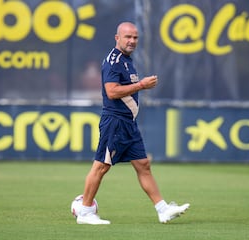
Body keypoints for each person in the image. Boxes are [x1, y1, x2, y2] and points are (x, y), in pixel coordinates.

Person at [76, 22, 190, 225]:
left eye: (135, 37)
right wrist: (141, 85)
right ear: (117, 38)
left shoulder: (127, 61)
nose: (132, 41)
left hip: (129, 123)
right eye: (127, 37)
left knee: (143, 165)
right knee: (101, 166)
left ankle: (162, 210)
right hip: (115, 122)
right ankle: (85, 211)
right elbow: (111, 91)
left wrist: (139, 86)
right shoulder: (114, 61)